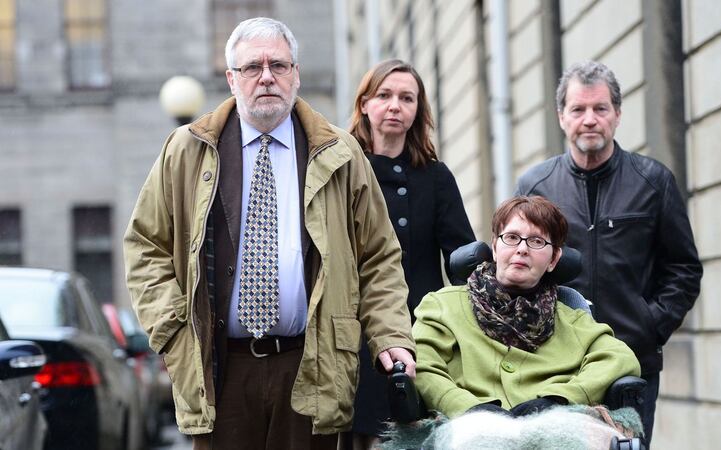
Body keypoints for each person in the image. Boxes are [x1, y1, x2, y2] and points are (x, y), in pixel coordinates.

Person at [123, 17, 415, 450]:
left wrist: (391, 334)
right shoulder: (185, 151)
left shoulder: (339, 153)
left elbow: (378, 255)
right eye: (252, 67)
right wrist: (173, 330)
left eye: (278, 65)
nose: (266, 77)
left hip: (311, 363)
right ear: (231, 78)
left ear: (295, 74)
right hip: (219, 366)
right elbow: (145, 246)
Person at [514, 60, 703, 445]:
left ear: (617, 114)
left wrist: (649, 326)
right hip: (555, 366)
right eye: (578, 109)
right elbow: (517, 267)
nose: (589, 119)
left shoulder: (653, 182)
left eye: (600, 108)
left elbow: (683, 269)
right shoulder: (535, 186)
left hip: (631, 364)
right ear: (561, 117)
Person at [413, 195, 640, 421]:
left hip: (554, 431)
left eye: (536, 241)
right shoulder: (442, 306)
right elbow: (421, 364)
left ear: (553, 259)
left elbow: (620, 358)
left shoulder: (571, 317)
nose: (522, 249)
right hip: (465, 430)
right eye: (511, 237)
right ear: (494, 247)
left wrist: (558, 400)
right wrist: (467, 408)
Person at [347, 60, 476, 448]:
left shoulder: (435, 177)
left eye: (407, 98)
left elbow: (463, 263)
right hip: (353, 333)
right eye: (384, 96)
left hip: (421, 330)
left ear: (418, 109)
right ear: (365, 104)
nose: (395, 106)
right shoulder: (343, 172)